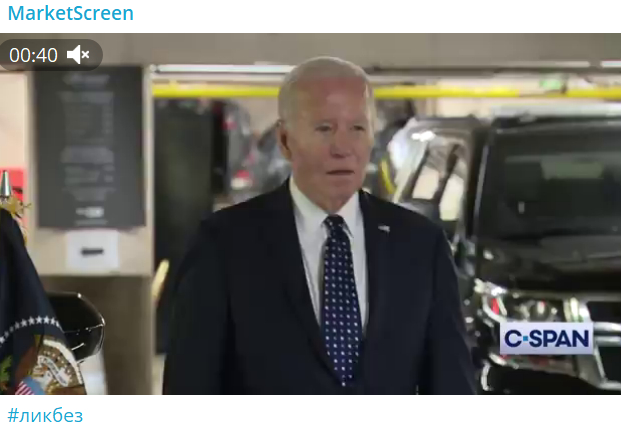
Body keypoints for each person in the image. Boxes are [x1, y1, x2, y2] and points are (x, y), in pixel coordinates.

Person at [162, 57, 476, 394]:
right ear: (285, 140)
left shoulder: (420, 245)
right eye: (324, 129)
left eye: (357, 128)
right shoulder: (224, 244)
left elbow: (452, 388)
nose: (343, 148)